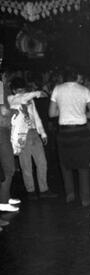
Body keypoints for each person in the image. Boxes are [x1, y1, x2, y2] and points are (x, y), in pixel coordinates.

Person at [49, 68, 90, 206]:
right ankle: (85, 198)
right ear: (77, 76)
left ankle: (70, 194)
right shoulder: (84, 90)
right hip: (81, 132)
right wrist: (81, 115)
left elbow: (52, 113)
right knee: (83, 166)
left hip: (64, 132)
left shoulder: (57, 89)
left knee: (65, 165)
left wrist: (65, 113)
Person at [8, 77, 57, 200]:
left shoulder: (29, 100)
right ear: (13, 91)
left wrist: (43, 133)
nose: (22, 92)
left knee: (42, 163)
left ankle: (44, 189)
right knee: (26, 166)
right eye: (19, 90)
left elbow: (36, 116)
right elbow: (21, 98)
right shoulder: (12, 99)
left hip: (34, 133)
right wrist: (36, 93)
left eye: (23, 90)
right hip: (21, 136)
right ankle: (31, 191)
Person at [0, 70, 19, 213]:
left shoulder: (5, 88)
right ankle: (3, 202)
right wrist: (15, 112)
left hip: (4, 130)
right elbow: (4, 111)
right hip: (1, 130)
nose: (9, 77)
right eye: (6, 75)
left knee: (6, 167)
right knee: (9, 168)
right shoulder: (1, 87)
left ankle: (5, 197)